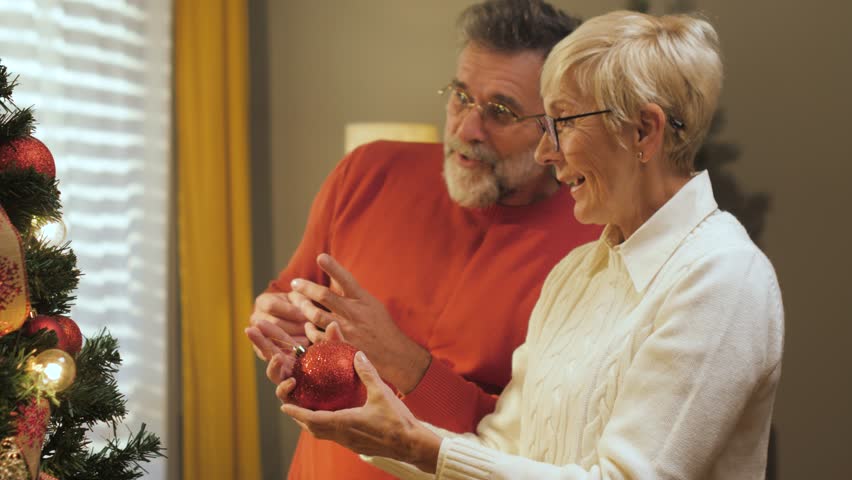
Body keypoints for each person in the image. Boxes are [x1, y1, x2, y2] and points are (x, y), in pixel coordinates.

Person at [270, 10, 785, 480]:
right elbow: (499, 448)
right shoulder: (576, 273)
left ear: (643, 132)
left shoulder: (723, 277)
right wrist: (377, 431)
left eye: (563, 124)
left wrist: (415, 445)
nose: (545, 152)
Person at [245, 1, 600, 478]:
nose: (466, 127)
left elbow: (537, 444)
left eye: (500, 111)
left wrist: (404, 362)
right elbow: (290, 296)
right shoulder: (367, 171)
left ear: (556, 126)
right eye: (460, 96)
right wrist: (280, 329)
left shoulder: (594, 246)